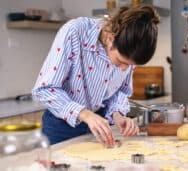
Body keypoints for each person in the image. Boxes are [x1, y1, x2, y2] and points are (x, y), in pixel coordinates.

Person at [32, 4, 160, 146]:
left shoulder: (127, 49)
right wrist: (85, 114)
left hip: (99, 127)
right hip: (60, 128)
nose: (125, 69)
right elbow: (44, 90)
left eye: (130, 65)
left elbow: (121, 91)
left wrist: (117, 115)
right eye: (121, 61)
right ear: (111, 39)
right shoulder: (75, 32)